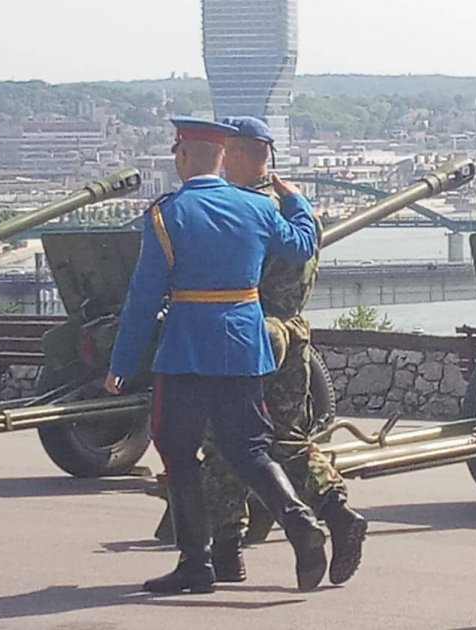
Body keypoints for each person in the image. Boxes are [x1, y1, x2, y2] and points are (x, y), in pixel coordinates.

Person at [105, 116, 326, 594]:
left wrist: (121, 365)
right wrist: (296, 199)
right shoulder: (256, 207)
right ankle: (300, 522)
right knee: (249, 447)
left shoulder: (167, 214)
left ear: (183, 157)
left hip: (187, 349)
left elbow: (143, 299)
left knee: (177, 448)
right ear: (223, 156)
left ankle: (196, 562)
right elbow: (303, 243)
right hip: (245, 345)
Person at [196, 115, 368, 587]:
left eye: (224, 151)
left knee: (221, 440)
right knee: (288, 440)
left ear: (236, 153)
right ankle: (338, 512)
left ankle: (228, 549)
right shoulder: (296, 209)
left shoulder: (243, 209)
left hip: (248, 334)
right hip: (292, 337)